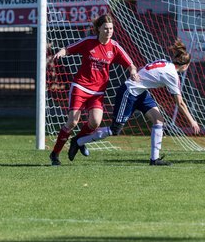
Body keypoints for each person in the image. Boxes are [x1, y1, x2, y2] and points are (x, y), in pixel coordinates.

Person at [68, 38, 200, 165]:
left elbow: (145, 68)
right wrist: (192, 121)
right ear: (185, 65)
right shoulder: (172, 75)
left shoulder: (165, 62)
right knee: (115, 129)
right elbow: (180, 103)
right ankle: (78, 141)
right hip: (129, 92)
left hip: (141, 92)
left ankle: (154, 159)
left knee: (159, 120)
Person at [49, 14, 138, 165]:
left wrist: (133, 72)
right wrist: (61, 53)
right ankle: (55, 154)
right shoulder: (89, 42)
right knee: (72, 122)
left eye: (111, 28)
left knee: (95, 122)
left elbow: (131, 64)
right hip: (80, 87)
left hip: (98, 92)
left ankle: (78, 141)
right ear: (98, 29)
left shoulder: (114, 47)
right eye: (106, 28)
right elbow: (68, 49)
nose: (109, 31)